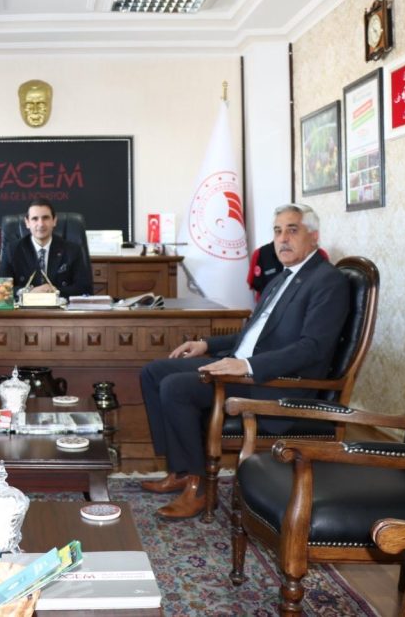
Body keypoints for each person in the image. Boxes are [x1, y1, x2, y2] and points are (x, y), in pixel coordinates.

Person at [138, 203, 349, 520]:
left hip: (274, 382)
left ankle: (198, 487)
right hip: (243, 369)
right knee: (153, 372)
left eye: (292, 230)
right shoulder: (282, 278)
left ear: (314, 236)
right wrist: (206, 344)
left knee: (176, 387)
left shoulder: (327, 281)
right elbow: (253, 334)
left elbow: (313, 348)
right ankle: (181, 470)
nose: (282, 239)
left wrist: (248, 366)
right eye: (277, 231)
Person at [0, 200, 93, 298]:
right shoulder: (12, 250)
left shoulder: (72, 250)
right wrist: (27, 292)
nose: (41, 224)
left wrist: (56, 291)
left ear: (54, 221)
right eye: (35, 219)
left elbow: (85, 289)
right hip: (25, 307)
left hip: (60, 306)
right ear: (27, 223)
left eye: (45, 218)